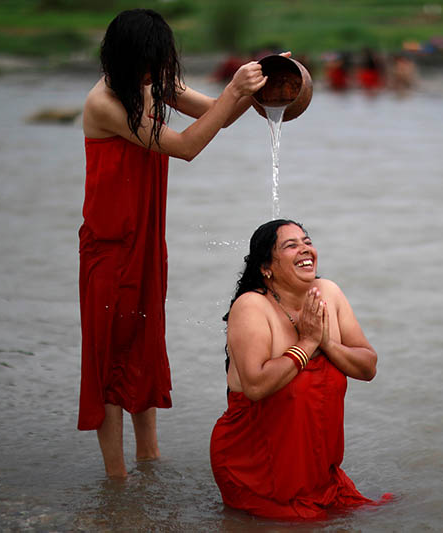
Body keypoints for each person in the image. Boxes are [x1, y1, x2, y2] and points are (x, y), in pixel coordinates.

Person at [78, 8, 283, 478]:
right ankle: (117, 480)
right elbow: (187, 146)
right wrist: (233, 90)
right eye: (149, 64)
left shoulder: (153, 84)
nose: (156, 73)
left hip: (147, 241)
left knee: (144, 344)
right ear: (129, 60)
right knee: (108, 359)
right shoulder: (106, 102)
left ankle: (149, 458)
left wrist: (255, 86)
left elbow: (217, 117)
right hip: (109, 249)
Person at [210, 220, 390, 520]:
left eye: (306, 241)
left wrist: (326, 343)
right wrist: (306, 344)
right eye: (291, 245)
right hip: (256, 472)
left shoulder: (328, 293)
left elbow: (368, 367)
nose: (305, 249)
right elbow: (255, 386)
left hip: (319, 473)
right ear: (266, 266)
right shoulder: (252, 306)